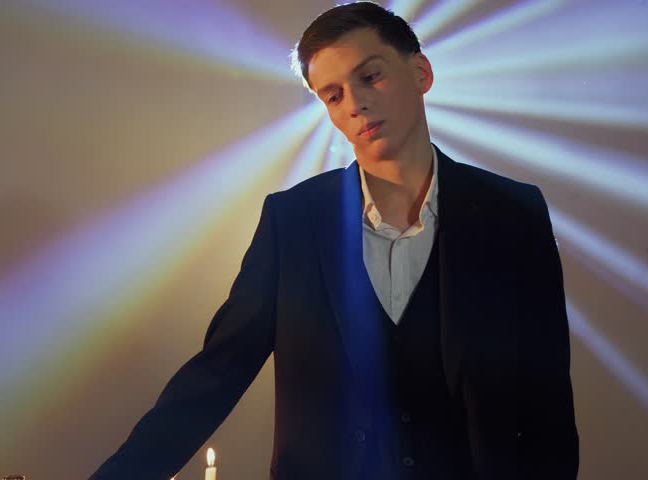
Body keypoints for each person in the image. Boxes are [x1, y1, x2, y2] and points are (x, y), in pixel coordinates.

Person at [89, 2, 578, 479]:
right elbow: (215, 375)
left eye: (370, 76)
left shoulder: (513, 212)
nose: (355, 104)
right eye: (333, 95)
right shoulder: (293, 220)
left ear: (422, 73)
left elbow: (548, 399)